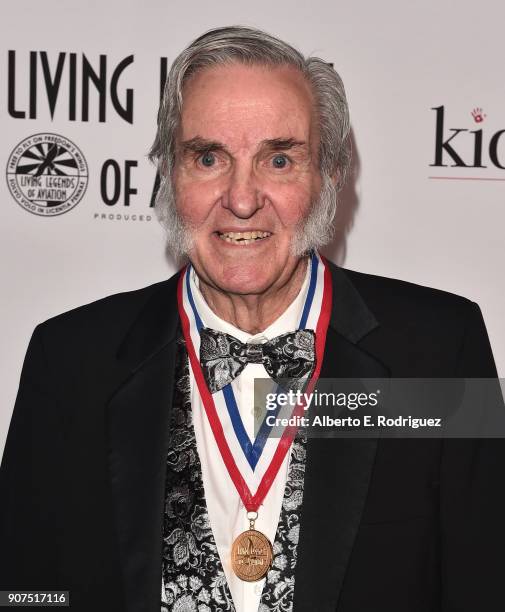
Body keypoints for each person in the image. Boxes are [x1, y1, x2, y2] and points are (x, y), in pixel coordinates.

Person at [0, 25, 503, 612]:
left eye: (280, 158)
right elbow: (25, 592)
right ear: (169, 173)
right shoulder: (70, 360)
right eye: (209, 157)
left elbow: (484, 587)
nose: (242, 199)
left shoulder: (441, 351)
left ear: (330, 176)